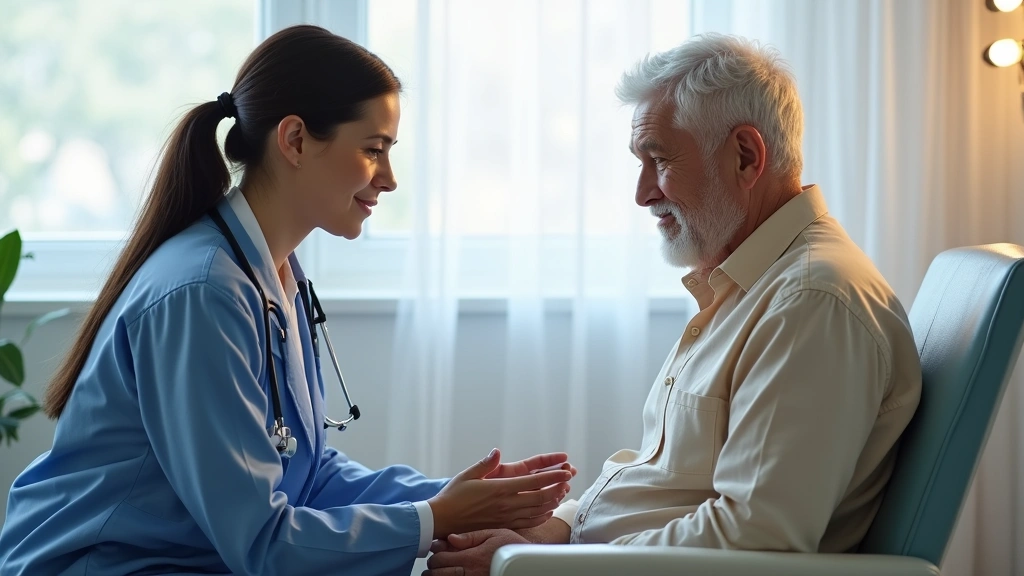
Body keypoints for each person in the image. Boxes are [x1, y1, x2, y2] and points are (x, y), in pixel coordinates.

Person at [0, 25, 576, 576]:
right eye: (374, 149)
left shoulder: (271, 275)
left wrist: (453, 498)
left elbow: (305, 476)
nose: (390, 178)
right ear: (296, 139)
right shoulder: (203, 294)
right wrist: (435, 520)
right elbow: (262, 541)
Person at [425, 33, 922, 575]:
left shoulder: (811, 303)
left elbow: (757, 535)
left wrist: (544, 560)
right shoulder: (748, 284)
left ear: (746, 156)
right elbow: (666, 484)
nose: (641, 193)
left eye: (658, 159)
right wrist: (555, 528)